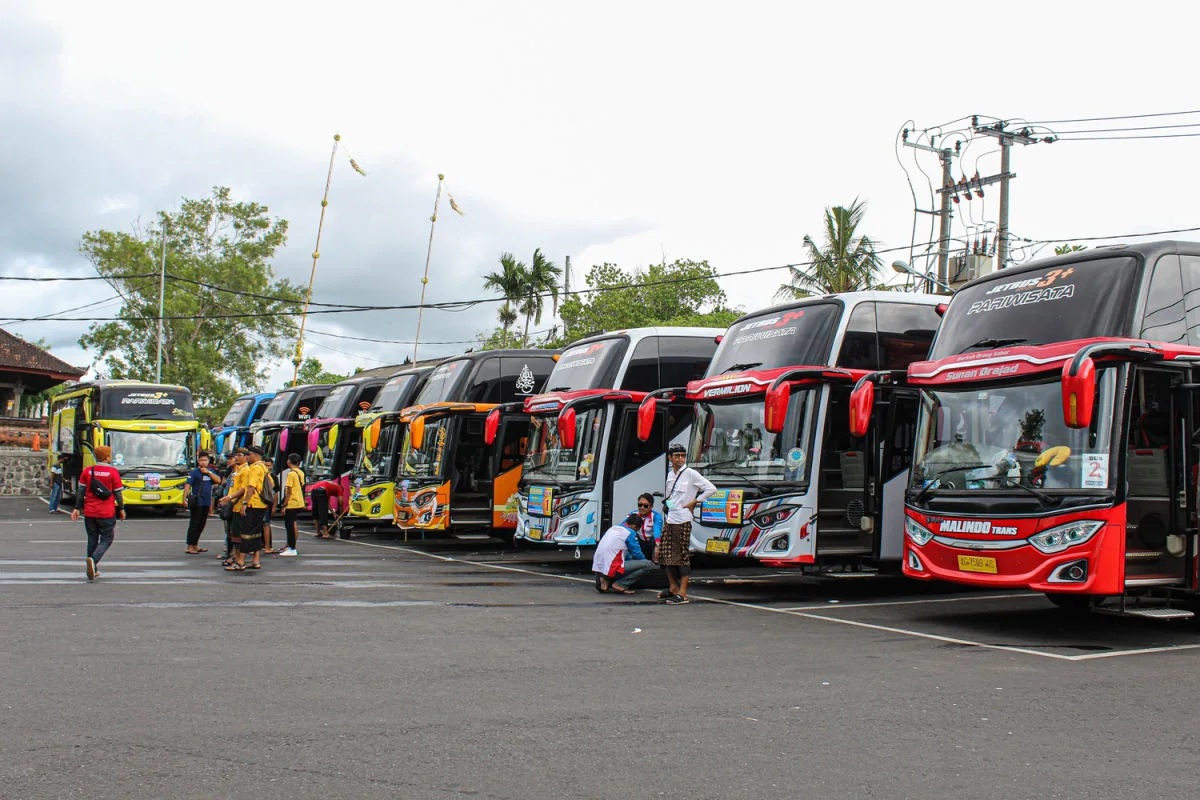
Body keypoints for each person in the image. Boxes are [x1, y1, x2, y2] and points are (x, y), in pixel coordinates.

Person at [659, 442, 716, 604]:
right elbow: (670, 497)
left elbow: (711, 488)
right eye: (677, 456)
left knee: (681, 556)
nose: (680, 459)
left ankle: (683, 593)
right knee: (665, 556)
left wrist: (695, 502)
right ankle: (673, 587)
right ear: (670, 458)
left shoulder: (690, 474)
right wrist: (670, 509)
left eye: (683, 456)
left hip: (683, 520)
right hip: (670, 519)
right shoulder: (671, 475)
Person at [70, 445, 125, 581]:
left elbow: (81, 491)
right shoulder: (113, 472)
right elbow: (117, 493)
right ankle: (93, 561)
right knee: (107, 538)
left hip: (89, 512)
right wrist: (122, 509)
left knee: (92, 539)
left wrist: (77, 508)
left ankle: (93, 568)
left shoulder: (88, 471)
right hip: (106, 512)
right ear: (106, 457)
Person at [592, 512, 656, 594]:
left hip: (598, 565)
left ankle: (605, 578)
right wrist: (643, 561)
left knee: (620, 558)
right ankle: (621, 584)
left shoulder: (613, 528)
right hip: (612, 566)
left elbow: (620, 551)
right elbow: (637, 553)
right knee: (648, 564)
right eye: (637, 529)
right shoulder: (630, 532)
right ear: (634, 526)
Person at [182, 451, 222, 554]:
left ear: (208, 461)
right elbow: (187, 485)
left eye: (205, 460)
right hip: (197, 501)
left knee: (202, 524)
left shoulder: (211, 471)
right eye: (201, 460)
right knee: (195, 523)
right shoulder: (194, 472)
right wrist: (184, 498)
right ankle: (190, 546)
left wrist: (208, 472)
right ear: (198, 461)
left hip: (206, 501)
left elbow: (218, 481)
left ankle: (195, 545)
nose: (203, 462)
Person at [277, 453, 305, 556]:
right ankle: (291, 546)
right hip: (299, 501)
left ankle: (292, 548)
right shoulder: (300, 472)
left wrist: (284, 505)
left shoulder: (291, 474)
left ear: (289, 462)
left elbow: (288, 491)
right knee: (293, 524)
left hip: (292, 502)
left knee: (289, 525)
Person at [635, 491, 663, 563]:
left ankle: (655, 562)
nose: (642, 508)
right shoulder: (633, 514)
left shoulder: (656, 516)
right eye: (640, 505)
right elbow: (624, 527)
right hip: (639, 543)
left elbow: (657, 530)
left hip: (651, 544)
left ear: (651, 507)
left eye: (645, 506)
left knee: (658, 540)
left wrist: (657, 545)